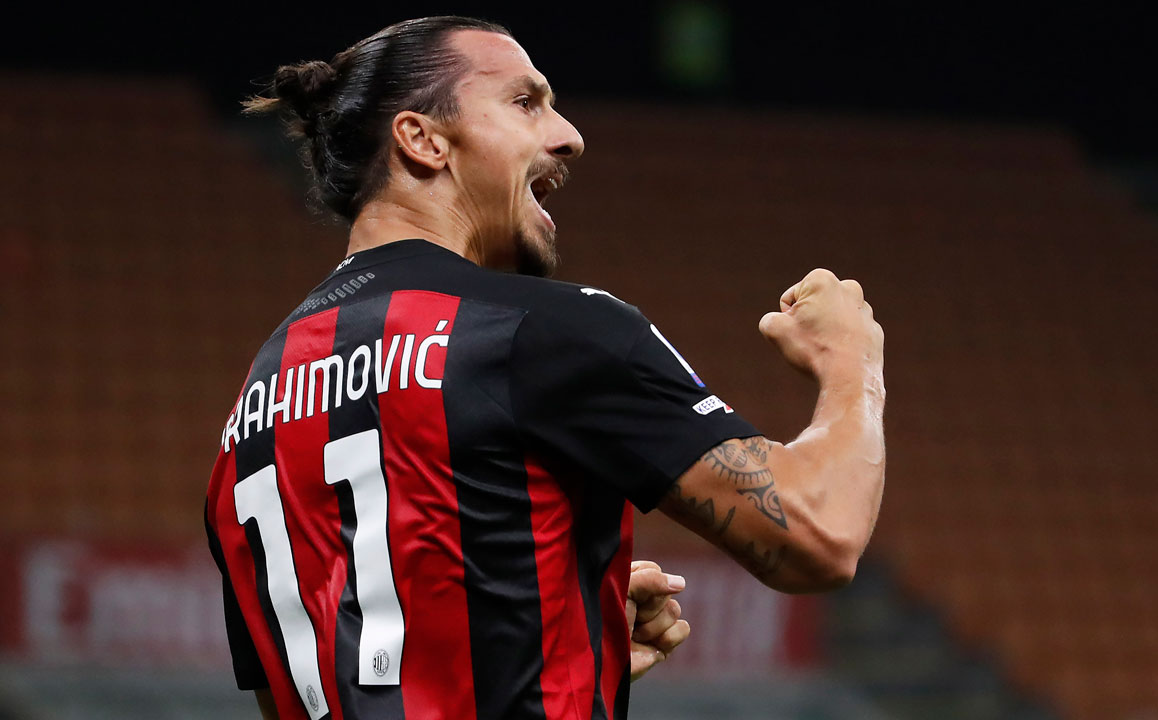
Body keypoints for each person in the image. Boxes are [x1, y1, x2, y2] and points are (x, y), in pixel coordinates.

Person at [204, 15, 886, 720]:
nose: (569, 135)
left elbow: (317, 678)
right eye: (526, 103)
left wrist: (550, 629)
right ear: (423, 140)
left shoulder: (250, 411)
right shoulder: (539, 330)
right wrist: (851, 361)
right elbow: (817, 537)